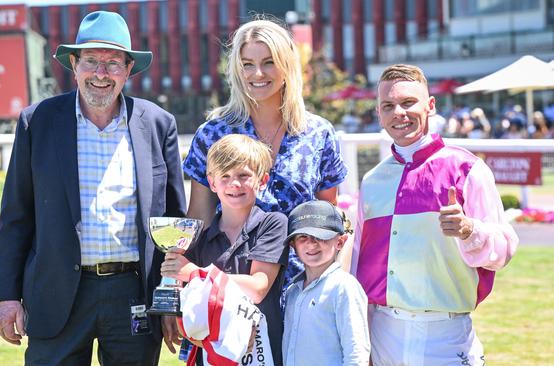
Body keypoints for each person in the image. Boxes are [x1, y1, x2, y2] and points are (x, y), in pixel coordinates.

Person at [0, 11, 187, 365]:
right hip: (56, 293)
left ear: (129, 69)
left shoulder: (158, 124)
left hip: (134, 295)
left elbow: (173, 225)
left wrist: (171, 301)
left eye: (113, 63)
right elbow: (16, 216)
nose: (101, 73)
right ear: (74, 64)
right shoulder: (37, 122)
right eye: (91, 61)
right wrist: (7, 297)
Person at [351, 64, 519, 365]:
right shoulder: (372, 181)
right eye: (388, 106)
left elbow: (504, 249)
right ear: (379, 114)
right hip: (381, 334)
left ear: (430, 106)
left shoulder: (468, 169)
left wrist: (470, 229)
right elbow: (357, 262)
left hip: (447, 333)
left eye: (408, 102)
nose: (398, 113)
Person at [182, 18, 348, 284]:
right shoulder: (212, 134)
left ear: (287, 66)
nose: (257, 74)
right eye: (247, 64)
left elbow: (327, 215)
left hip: (301, 286)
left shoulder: (319, 133)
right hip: (230, 287)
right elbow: (198, 219)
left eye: (268, 62)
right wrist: (181, 291)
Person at [162, 134, 289, 365]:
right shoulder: (198, 238)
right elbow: (191, 306)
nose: (234, 184)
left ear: (262, 180)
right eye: (226, 176)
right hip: (212, 353)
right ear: (212, 182)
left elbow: (258, 287)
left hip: (263, 352)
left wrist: (195, 273)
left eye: (244, 175)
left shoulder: (273, 223)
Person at [282, 200, 370, 366]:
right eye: (303, 237)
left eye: (320, 236)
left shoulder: (344, 287)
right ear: (293, 245)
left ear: (340, 242)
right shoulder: (292, 291)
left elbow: (357, 354)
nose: (311, 243)